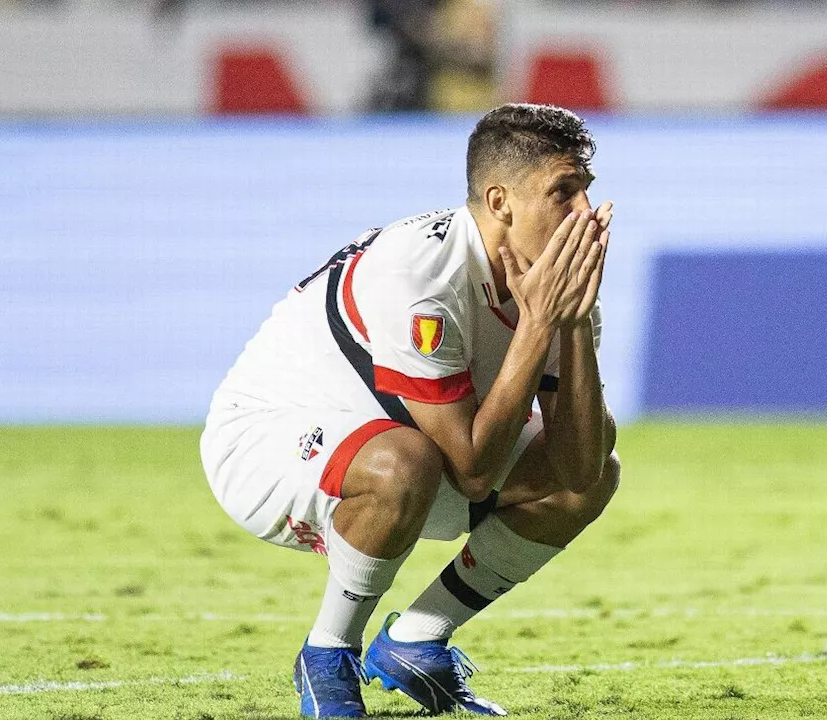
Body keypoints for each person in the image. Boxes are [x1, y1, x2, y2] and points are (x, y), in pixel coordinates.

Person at [200, 103, 619, 718]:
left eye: (586, 190)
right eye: (564, 191)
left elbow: (579, 471)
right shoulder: (421, 274)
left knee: (594, 475)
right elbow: (473, 471)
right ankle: (327, 654)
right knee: (405, 463)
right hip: (267, 442)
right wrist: (538, 325)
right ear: (500, 202)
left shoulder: (554, 289)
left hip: (408, 445)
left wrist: (573, 322)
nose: (585, 213)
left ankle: (416, 640)